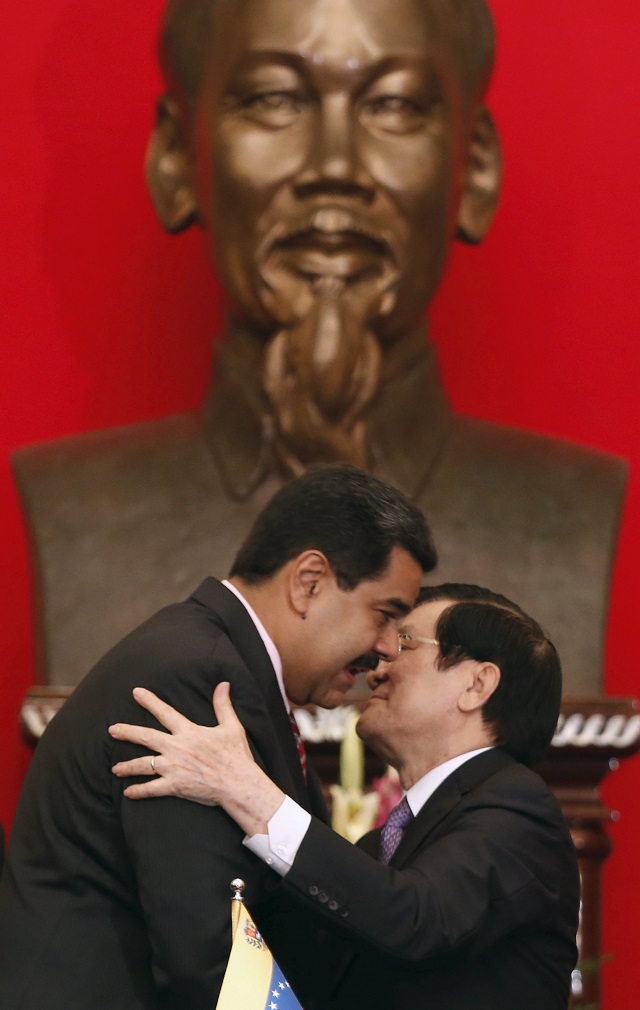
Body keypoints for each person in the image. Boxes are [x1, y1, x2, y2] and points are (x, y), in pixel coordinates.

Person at [13, 0, 624, 698]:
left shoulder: (573, 511)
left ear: (474, 167)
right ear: (179, 156)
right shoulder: (76, 512)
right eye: (276, 99)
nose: (334, 165)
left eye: (393, 104)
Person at [0, 465, 434, 1010]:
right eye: (385, 614)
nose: (390, 647)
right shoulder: (195, 676)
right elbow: (208, 953)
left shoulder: (220, 664)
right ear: (310, 581)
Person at [109, 583, 580, 1010]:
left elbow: (416, 920)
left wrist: (245, 789)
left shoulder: (520, 807)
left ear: (476, 685)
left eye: (404, 646)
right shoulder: (383, 847)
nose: (376, 669)